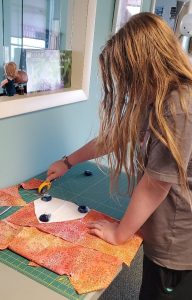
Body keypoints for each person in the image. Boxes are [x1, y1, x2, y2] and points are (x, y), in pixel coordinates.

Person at [47, 12, 192, 300]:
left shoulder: (178, 105)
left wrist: (120, 233)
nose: (125, 84)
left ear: (146, 66)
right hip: (160, 230)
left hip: (176, 240)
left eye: (127, 74)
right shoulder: (156, 95)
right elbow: (113, 138)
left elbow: (155, 185)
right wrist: (68, 162)